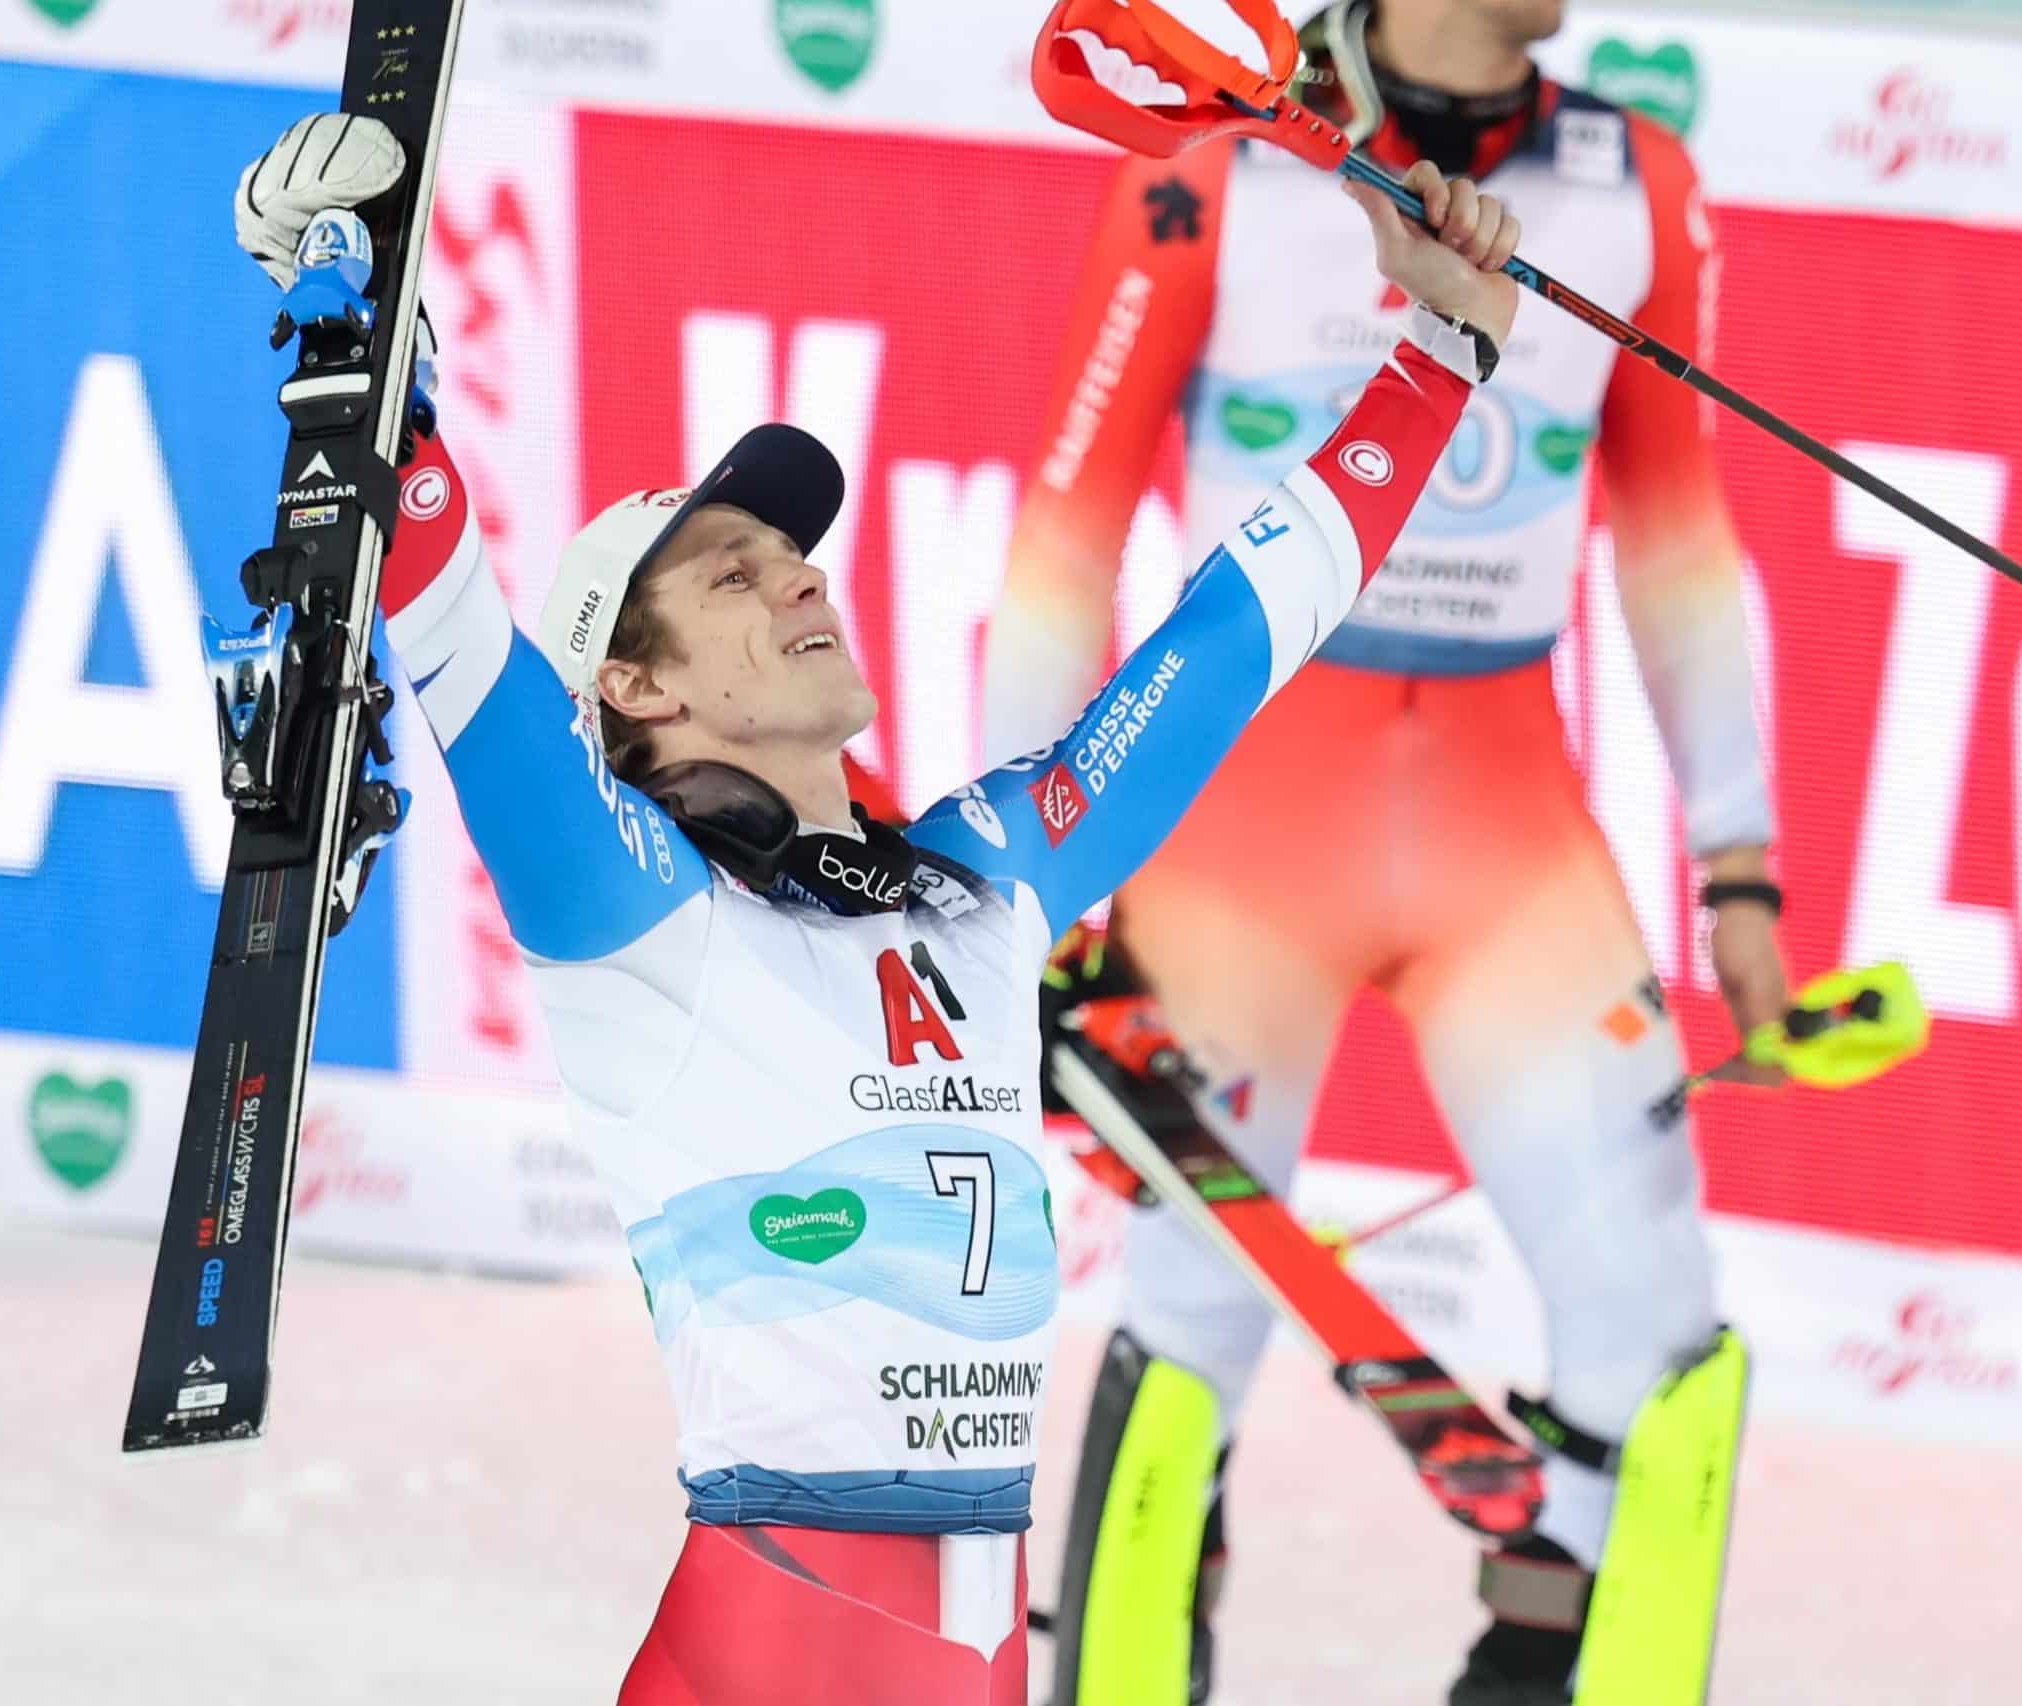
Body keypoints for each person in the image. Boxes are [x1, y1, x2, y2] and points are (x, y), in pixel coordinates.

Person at [232, 109, 1524, 1705]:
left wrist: (1442, 353)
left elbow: (1222, 643)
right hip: (779, 1636)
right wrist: (361, 369)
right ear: (631, 686)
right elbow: (471, 662)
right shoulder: (636, 911)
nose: (801, 578)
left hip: (973, 1639)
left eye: (793, 553)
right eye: (731, 573)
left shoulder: (974, 885)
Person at [984, 2, 1787, 1699]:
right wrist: (1019, 890)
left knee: (1655, 1323)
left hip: (1508, 834)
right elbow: (1064, 541)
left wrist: (1741, 866)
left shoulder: (1635, 178)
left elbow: (1680, 546)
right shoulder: (1214, 170)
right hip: (1239, 840)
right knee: (1193, 1319)